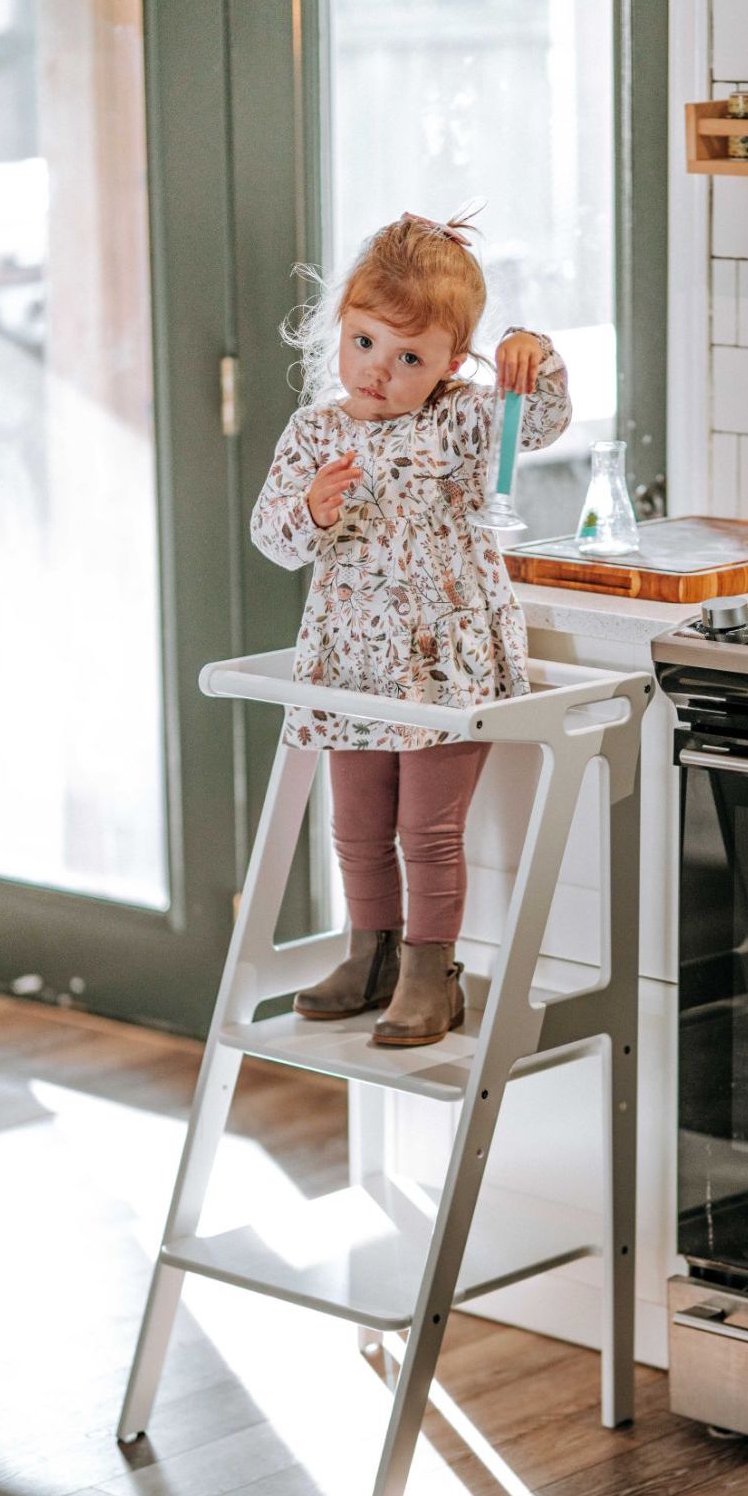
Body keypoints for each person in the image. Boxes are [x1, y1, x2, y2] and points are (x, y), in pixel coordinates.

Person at [250, 212, 571, 1046]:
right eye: (362, 343)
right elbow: (271, 537)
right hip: (348, 663)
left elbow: (535, 423)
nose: (378, 373)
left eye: (409, 359)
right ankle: (372, 954)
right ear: (341, 324)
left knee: (426, 833)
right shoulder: (315, 432)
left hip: (444, 662)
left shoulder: (461, 419)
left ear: (450, 365)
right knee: (355, 826)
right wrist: (308, 511)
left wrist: (535, 353)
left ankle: (433, 973)